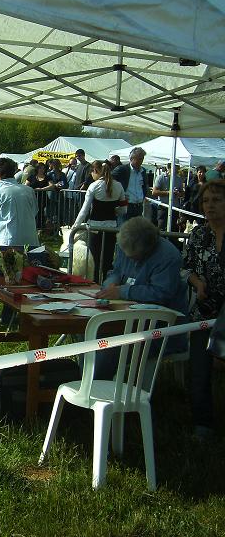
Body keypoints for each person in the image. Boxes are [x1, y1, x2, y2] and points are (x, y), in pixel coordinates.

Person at [94, 217, 189, 386]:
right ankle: (85, 381)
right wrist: (110, 284)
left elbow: (160, 293)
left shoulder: (169, 256)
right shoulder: (128, 242)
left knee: (105, 348)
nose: (131, 260)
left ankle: (97, 391)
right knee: (90, 334)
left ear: (149, 248)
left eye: (135, 257)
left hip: (159, 330)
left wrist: (122, 291)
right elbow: (116, 271)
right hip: (126, 319)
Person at [182, 179, 225, 441]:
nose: (210, 206)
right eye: (206, 201)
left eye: (217, 200)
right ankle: (202, 424)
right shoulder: (198, 235)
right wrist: (197, 282)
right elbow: (185, 267)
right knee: (199, 370)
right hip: (203, 313)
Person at [72, 161, 127, 282]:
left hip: (95, 228)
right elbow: (123, 210)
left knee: (95, 260)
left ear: (95, 171)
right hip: (111, 227)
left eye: (92, 172)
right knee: (108, 261)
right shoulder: (119, 186)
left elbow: (84, 210)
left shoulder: (94, 186)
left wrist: (75, 227)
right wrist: (113, 210)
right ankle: (107, 284)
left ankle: (95, 284)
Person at [111, 147, 148, 223]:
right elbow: (109, 181)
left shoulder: (143, 171)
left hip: (139, 207)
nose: (141, 161)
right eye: (139, 159)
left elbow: (144, 186)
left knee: (136, 232)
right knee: (124, 231)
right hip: (126, 206)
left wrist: (143, 196)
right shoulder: (122, 169)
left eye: (142, 159)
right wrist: (119, 195)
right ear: (131, 158)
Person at [152, 163, 184, 230]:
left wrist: (179, 193)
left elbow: (182, 193)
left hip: (174, 208)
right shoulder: (160, 177)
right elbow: (154, 192)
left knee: (174, 229)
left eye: (177, 167)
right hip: (163, 207)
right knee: (161, 228)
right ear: (169, 167)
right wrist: (168, 193)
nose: (176, 169)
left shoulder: (179, 179)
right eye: (174, 167)